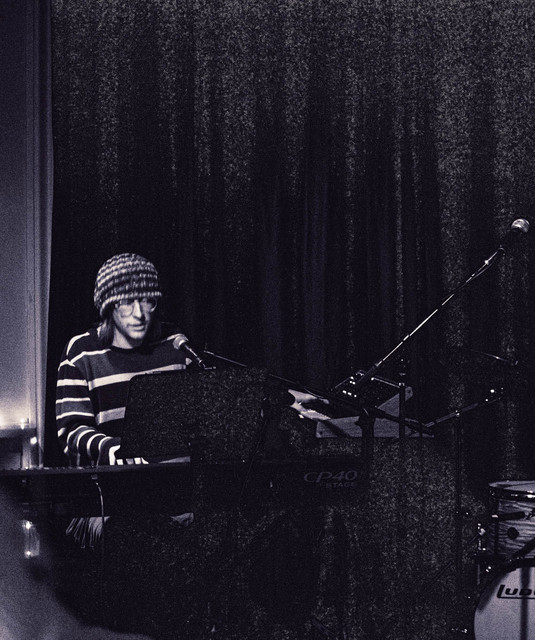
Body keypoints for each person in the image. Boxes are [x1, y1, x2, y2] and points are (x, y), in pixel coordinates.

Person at [56, 253, 189, 467]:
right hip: (112, 482)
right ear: (108, 306)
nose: (139, 314)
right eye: (127, 302)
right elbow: (72, 431)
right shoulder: (81, 353)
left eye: (147, 301)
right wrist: (116, 451)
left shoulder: (175, 345)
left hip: (176, 479)